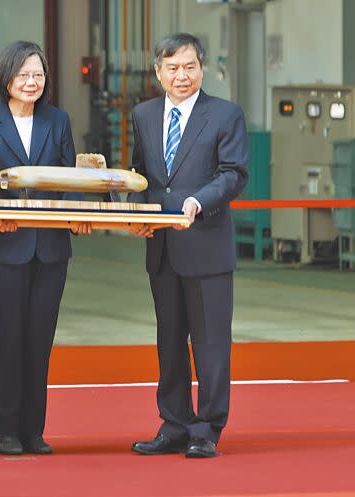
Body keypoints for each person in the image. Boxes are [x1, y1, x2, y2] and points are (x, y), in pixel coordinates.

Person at [0, 40, 90, 456]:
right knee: (7, 337)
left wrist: (77, 214)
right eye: (23, 75)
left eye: (38, 75)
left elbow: (72, 181)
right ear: (7, 78)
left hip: (50, 249)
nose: (32, 82)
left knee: (39, 338)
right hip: (4, 246)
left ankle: (34, 430)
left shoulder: (58, 120)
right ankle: (6, 431)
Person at [127, 33, 248, 458]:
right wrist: (137, 211)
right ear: (158, 72)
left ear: (203, 68)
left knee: (211, 342)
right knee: (170, 339)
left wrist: (198, 201)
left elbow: (233, 173)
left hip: (207, 243)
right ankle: (174, 423)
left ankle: (207, 428)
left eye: (189, 67)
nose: (182, 75)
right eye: (173, 68)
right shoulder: (143, 115)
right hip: (161, 249)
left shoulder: (225, 115)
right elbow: (140, 174)